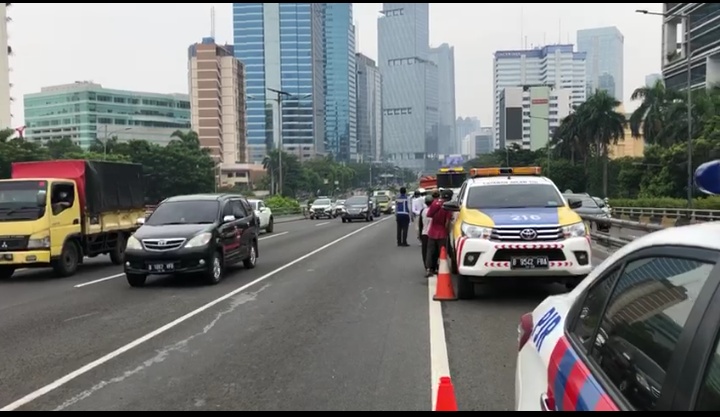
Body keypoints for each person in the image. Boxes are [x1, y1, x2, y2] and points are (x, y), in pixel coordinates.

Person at [425, 189, 453, 277]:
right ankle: (440, 268)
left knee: (430, 251)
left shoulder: (435, 203)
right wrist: (447, 232)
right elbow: (447, 222)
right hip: (442, 232)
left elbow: (429, 215)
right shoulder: (448, 206)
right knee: (442, 252)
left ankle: (429, 269)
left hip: (432, 231)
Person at [417, 195, 434, 268]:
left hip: (424, 233)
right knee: (433, 252)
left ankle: (426, 267)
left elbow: (420, 224)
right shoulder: (435, 210)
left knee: (425, 252)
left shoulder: (423, 211)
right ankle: (433, 266)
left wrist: (419, 235)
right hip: (433, 233)